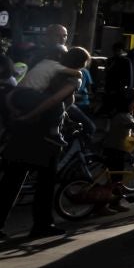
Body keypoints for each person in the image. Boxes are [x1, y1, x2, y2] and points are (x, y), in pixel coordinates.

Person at [0, 45, 82, 239]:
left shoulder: (44, 71)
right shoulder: (71, 78)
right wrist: (33, 116)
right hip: (45, 137)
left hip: (23, 134)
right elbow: (55, 102)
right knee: (45, 184)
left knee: (12, 181)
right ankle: (42, 224)